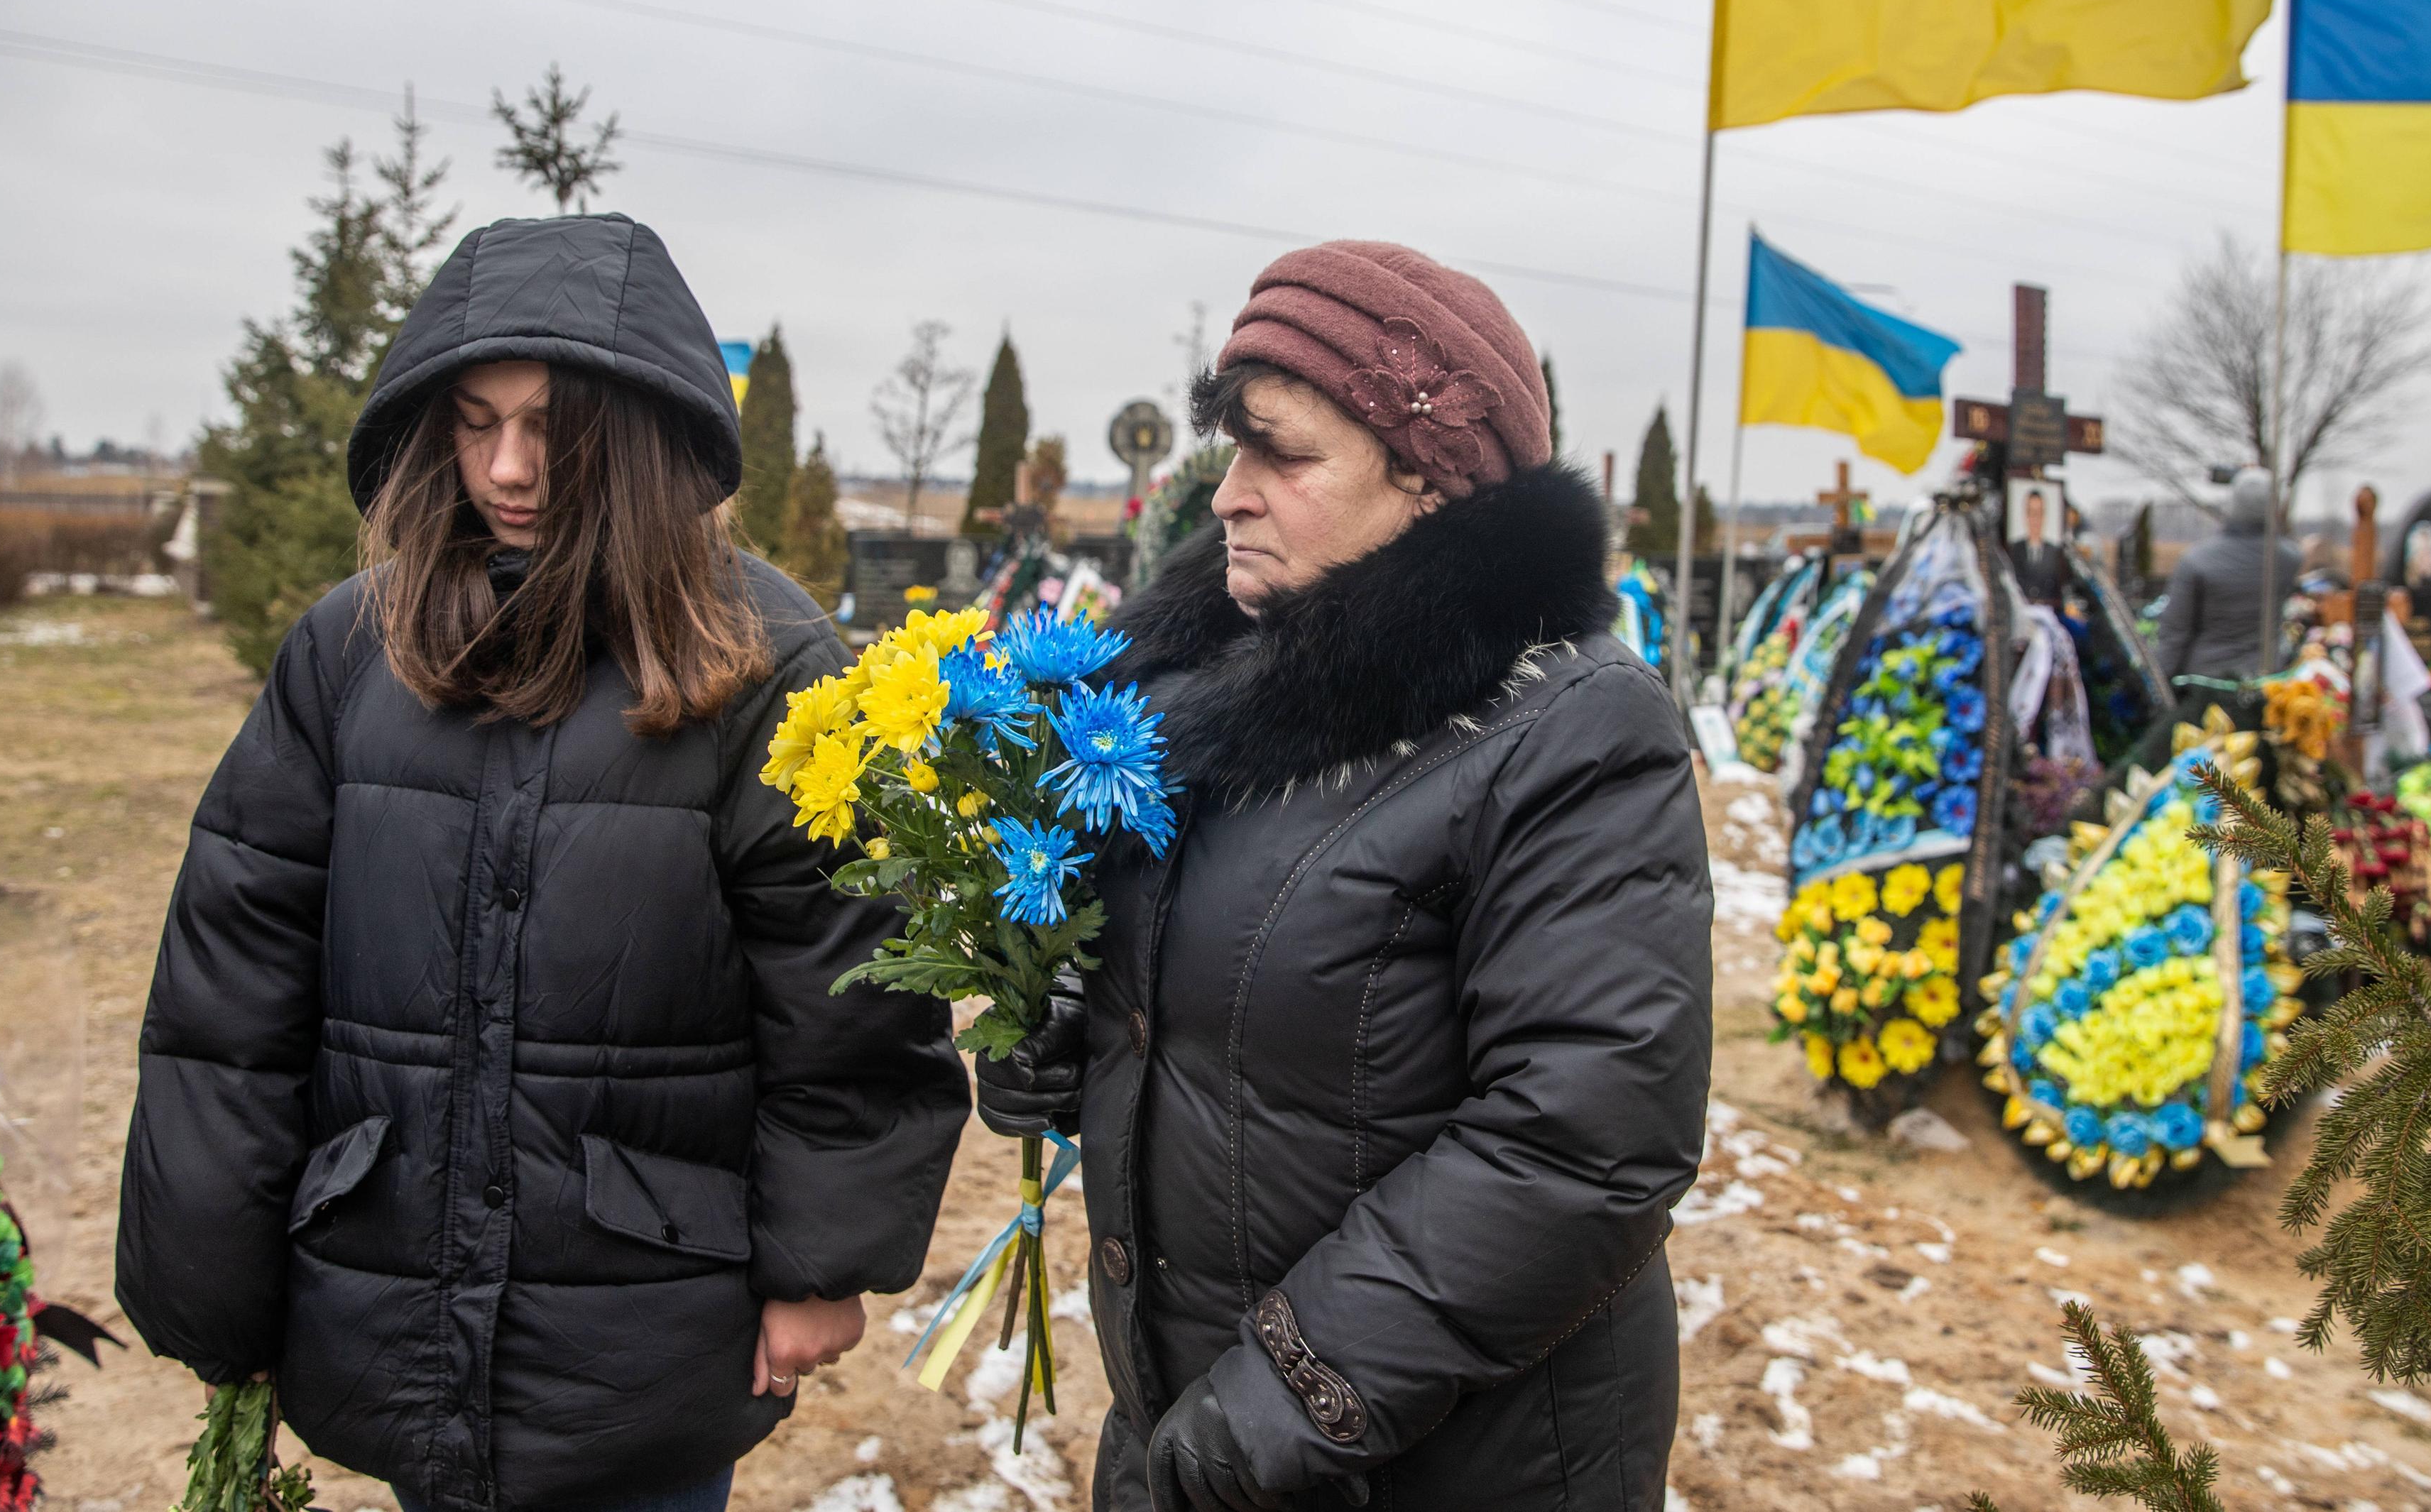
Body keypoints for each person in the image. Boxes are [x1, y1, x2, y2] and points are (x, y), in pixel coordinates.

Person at [114, 215, 969, 1512]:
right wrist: (215, 1280)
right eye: (473, 421)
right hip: (392, 1265)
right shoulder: (352, 651)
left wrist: (818, 1260)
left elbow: (844, 987)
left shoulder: (769, 668)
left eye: (552, 427)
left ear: (639, 429)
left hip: (645, 1306)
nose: (508, 467)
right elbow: (233, 987)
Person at [980, 241, 1715, 1511]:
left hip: (1437, 1463)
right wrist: (1061, 1029)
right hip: (1195, 1428)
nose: (1229, 497)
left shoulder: (1573, 730)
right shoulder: (1203, 685)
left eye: (1285, 456)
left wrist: (1281, 1401)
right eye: (1232, 454)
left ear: (1430, 482)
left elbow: (1581, 1144)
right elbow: (1214, 1000)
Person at [2156, 467, 2302, 681]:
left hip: (2205, 680)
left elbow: (2175, 633)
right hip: (2265, 677)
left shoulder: (2196, 561)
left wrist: (2160, 680)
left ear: (2233, 503)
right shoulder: (2289, 559)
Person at [2011, 483, 2068, 608]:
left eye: (2039, 513)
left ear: (2044, 516)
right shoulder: (2014, 549)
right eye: (2031, 513)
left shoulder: (2054, 552)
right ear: (2025, 516)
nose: (2035, 519)